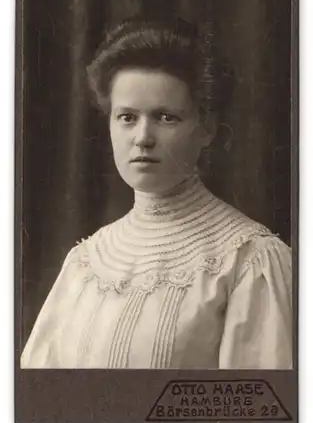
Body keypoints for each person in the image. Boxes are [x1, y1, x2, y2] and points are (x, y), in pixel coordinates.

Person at [21, 18, 292, 369]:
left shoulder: (249, 262)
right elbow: (38, 403)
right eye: (127, 117)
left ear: (206, 128)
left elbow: (255, 414)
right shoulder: (85, 262)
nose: (142, 137)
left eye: (166, 117)